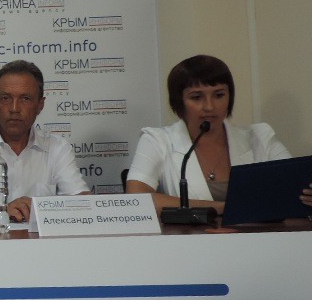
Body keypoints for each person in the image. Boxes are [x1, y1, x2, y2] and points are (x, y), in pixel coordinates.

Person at [126, 54, 294, 213]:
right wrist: (221, 208)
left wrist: (305, 195)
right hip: (188, 235)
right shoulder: (157, 140)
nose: (209, 106)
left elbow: (295, 183)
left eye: (219, 95)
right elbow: (136, 199)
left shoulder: (259, 136)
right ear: (179, 102)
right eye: (196, 97)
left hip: (258, 234)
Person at [0, 60, 89, 223]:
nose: (14, 108)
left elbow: (82, 202)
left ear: (40, 105)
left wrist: (42, 208)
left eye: (25, 99)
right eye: (6, 98)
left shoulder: (57, 148)